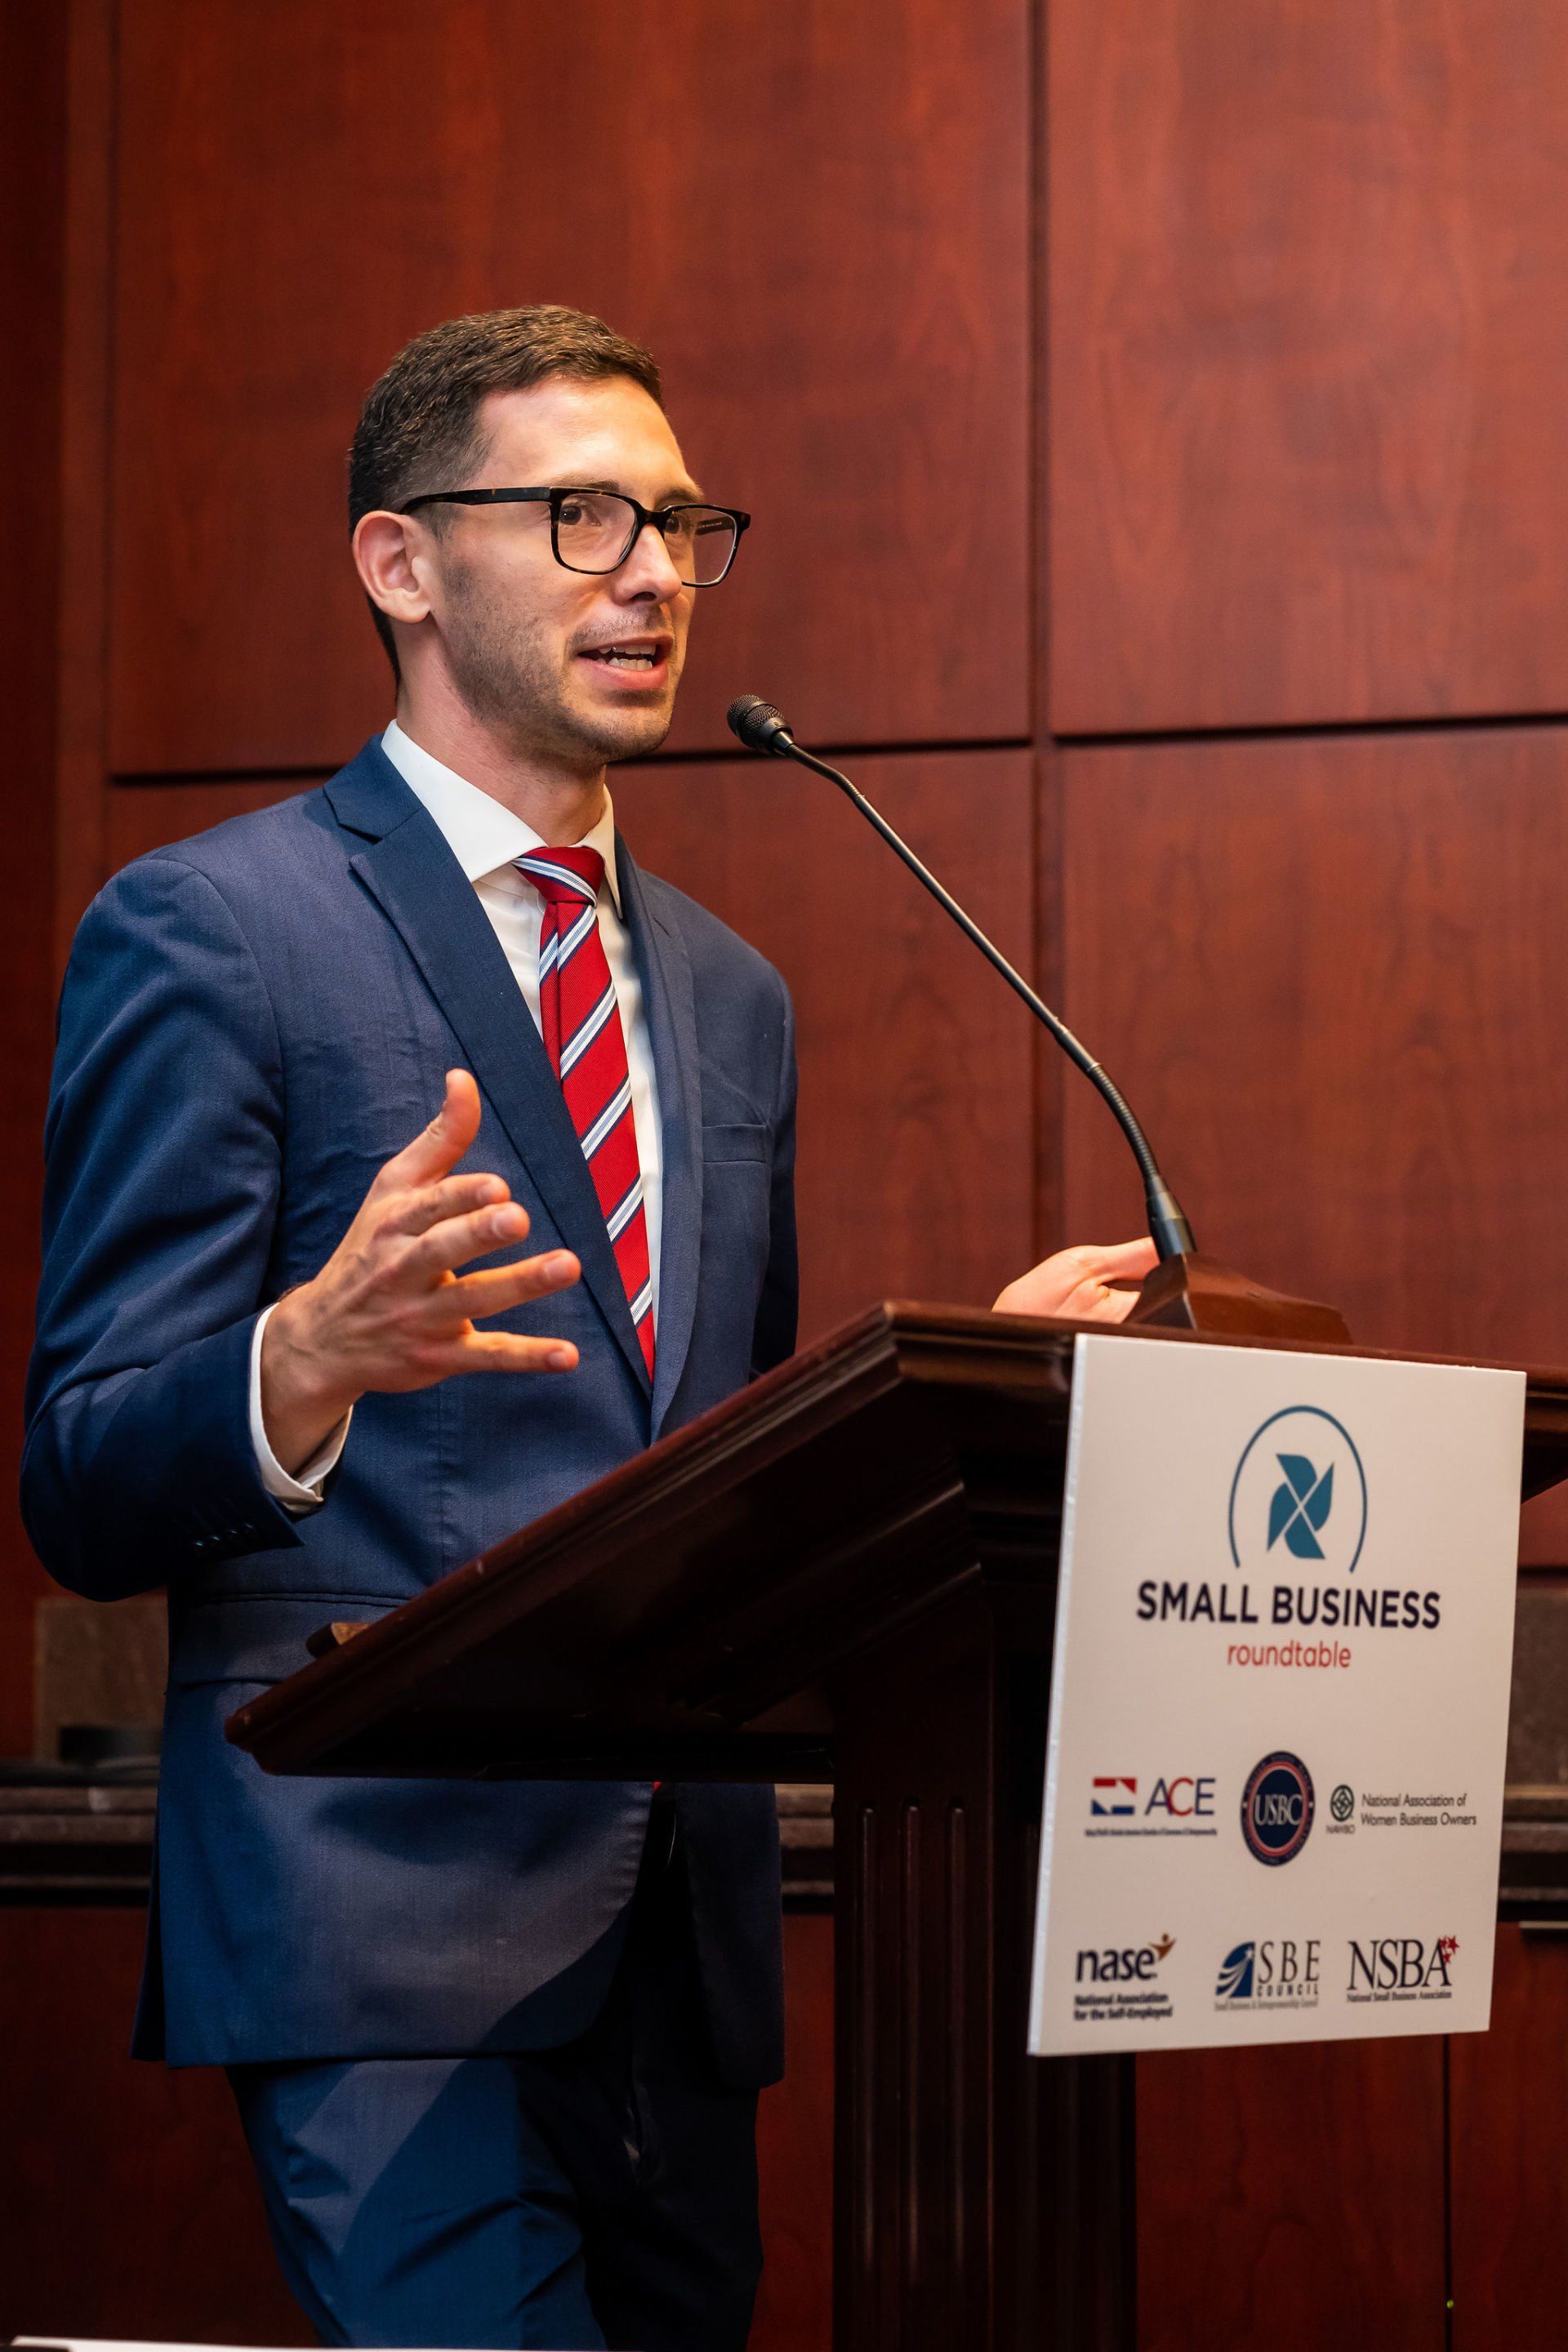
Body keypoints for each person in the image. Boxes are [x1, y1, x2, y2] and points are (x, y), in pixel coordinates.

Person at [21, 305, 1156, 2350]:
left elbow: (706, 1481)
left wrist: (955, 1404)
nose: (653, 572)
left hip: (681, 1952)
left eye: (682, 524)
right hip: (384, 1930)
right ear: (401, 565)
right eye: (580, 516)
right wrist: (299, 1365)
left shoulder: (730, 993)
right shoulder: (219, 927)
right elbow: (84, 1473)